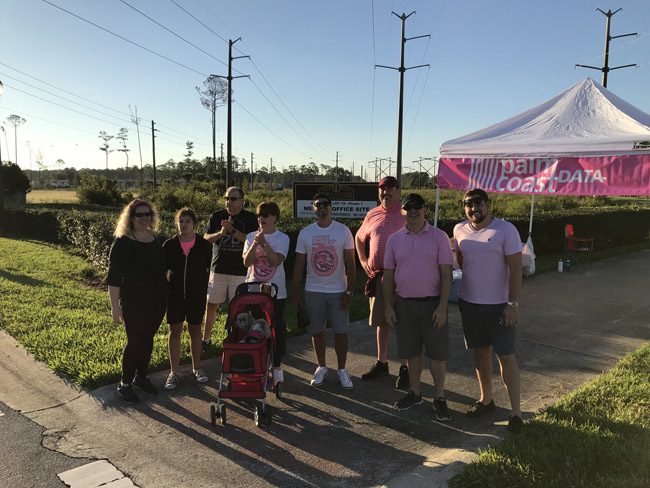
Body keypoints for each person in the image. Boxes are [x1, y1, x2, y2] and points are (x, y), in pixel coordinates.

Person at [453, 188, 524, 433]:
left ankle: (516, 412)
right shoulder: (459, 230)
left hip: (499, 306)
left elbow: (516, 270)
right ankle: (486, 400)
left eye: (478, 203)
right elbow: (461, 261)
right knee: (480, 353)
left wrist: (512, 304)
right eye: (468, 204)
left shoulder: (506, 230)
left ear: (488, 204)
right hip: (469, 302)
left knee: (505, 356)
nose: (474, 208)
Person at [383, 193, 453, 420]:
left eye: (417, 207)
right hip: (404, 304)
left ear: (425, 210)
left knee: (437, 354)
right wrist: (388, 307)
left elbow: (446, 274)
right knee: (411, 353)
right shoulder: (394, 240)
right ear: (403, 211)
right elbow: (388, 275)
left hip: (432, 304)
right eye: (408, 208)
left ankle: (440, 397)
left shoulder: (439, 237)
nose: (413, 211)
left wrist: (443, 307)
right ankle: (415, 392)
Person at [291, 192, 357, 389]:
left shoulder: (343, 231)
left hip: (338, 290)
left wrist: (349, 292)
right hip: (313, 290)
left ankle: (342, 370)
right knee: (317, 331)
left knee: (341, 332)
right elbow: (298, 264)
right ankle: (321, 367)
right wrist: (296, 293)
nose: (321, 207)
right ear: (312, 208)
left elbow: (351, 264)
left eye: (325, 204)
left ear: (331, 208)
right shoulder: (305, 233)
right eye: (317, 204)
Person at [107, 199, 167, 404]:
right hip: (134, 301)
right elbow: (114, 278)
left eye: (147, 214)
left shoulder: (153, 238)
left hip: (157, 300)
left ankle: (141, 377)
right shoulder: (123, 242)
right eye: (139, 215)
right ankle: (124, 384)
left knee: (148, 339)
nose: (144, 218)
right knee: (134, 342)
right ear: (130, 218)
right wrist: (115, 307)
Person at [355, 176, 410, 389]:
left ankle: (405, 368)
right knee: (381, 323)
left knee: (403, 324)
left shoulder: (407, 214)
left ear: (397, 191)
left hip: (402, 276)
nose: (386, 193)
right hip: (378, 276)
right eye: (382, 189)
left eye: (390, 189)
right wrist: (362, 259)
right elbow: (360, 238)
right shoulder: (372, 214)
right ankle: (382, 362)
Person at [162, 207, 212, 390]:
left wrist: (202, 290)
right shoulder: (169, 245)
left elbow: (209, 272)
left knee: (195, 331)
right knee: (174, 332)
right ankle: (173, 372)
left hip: (196, 297)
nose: (183, 225)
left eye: (187, 221)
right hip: (174, 297)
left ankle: (197, 368)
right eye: (180, 221)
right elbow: (162, 271)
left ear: (195, 225)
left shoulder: (204, 246)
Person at [202, 186, 258, 349]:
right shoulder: (216, 216)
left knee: (239, 307)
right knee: (211, 304)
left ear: (242, 201)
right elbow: (206, 238)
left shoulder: (249, 218)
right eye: (227, 198)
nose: (229, 202)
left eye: (233, 199)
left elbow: (252, 240)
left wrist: (232, 230)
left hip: (240, 271)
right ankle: (206, 339)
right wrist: (220, 233)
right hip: (218, 269)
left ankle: (238, 337)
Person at [243, 201, 290, 387]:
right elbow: (247, 263)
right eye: (260, 215)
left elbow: (275, 261)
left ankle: (276, 366)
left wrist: (264, 243)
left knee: (276, 330)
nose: (262, 218)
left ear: (275, 218)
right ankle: (258, 365)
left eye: (266, 215)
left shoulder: (282, 238)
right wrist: (255, 244)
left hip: (275, 293)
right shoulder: (250, 236)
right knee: (255, 330)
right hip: (253, 291)